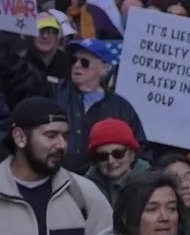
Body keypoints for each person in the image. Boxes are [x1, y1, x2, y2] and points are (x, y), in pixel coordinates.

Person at [0, 34, 145, 173]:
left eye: (85, 62)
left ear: (104, 68)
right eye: (74, 60)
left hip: (99, 186)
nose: (77, 66)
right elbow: (24, 78)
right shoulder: (54, 90)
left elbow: (141, 150)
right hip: (52, 176)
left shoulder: (121, 107)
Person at [0, 97, 111, 235]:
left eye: (65, 136)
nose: (61, 145)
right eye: (51, 136)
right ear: (20, 137)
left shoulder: (83, 194)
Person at [83, 116, 150, 205]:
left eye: (118, 154)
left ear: (132, 154)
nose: (111, 161)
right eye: (103, 156)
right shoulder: (84, 189)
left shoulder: (152, 184)